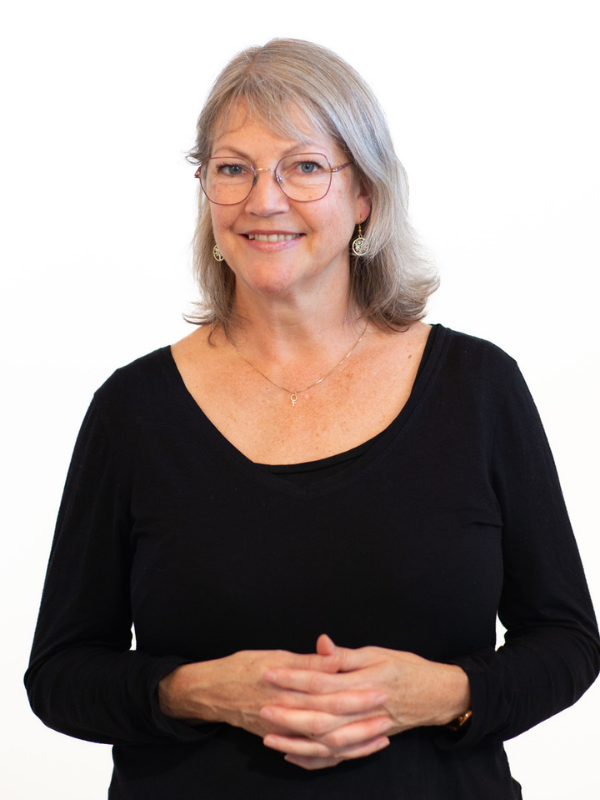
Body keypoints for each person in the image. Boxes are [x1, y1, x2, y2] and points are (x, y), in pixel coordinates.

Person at [25, 38, 600, 800]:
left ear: (364, 196)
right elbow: (61, 675)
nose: (264, 200)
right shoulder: (132, 411)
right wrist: (196, 692)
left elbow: (566, 641)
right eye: (233, 169)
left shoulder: (480, 388)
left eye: (303, 167)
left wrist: (442, 695)